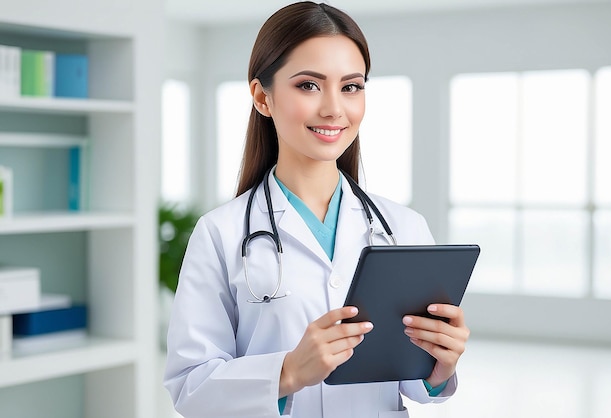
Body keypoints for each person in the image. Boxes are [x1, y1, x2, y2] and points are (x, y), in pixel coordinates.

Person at [164, 2, 470, 417]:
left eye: (351, 86)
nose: (334, 108)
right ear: (262, 97)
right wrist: (288, 372)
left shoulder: (403, 227)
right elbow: (190, 388)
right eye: (309, 85)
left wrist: (440, 363)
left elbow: (415, 382)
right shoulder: (220, 233)